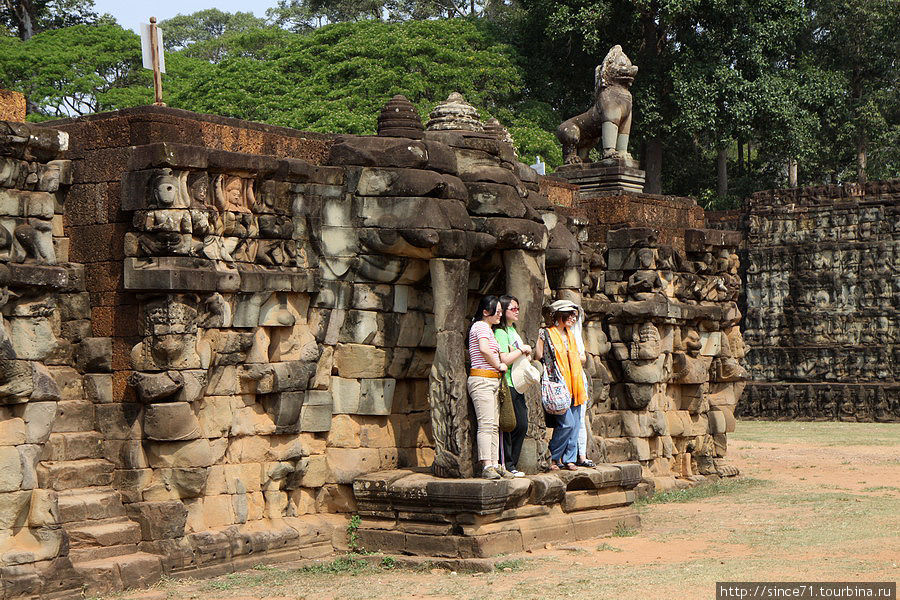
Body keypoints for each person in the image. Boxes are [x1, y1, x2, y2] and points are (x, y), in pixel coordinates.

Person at [534, 299, 588, 471]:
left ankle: (569, 458)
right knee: (567, 424)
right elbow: (539, 355)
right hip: (558, 383)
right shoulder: (546, 334)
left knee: (576, 423)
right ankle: (554, 456)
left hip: (575, 383)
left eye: (574, 316)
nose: (573, 319)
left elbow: (581, 357)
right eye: (570, 315)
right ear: (559, 316)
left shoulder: (571, 335)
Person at [467, 295, 513, 480]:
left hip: (491, 380)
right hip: (482, 379)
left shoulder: (488, 329)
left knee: (494, 425)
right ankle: (487, 465)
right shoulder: (480, 326)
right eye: (498, 312)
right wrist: (498, 365)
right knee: (486, 425)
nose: (500, 315)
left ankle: (495, 463)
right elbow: (484, 349)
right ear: (486, 312)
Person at [494, 295, 532, 477]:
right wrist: (520, 350)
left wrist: (522, 352)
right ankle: (507, 464)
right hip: (506, 383)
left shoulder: (513, 330)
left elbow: (520, 355)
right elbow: (504, 359)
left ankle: (512, 464)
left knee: (522, 424)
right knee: (510, 424)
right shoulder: (500, 333)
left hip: (518, 384)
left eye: (518, 308)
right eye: (513, 309)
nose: (517, 311)